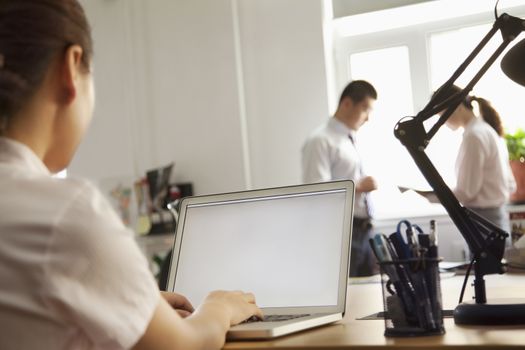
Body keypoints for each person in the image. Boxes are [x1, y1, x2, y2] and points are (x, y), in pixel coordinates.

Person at [0, 1, 262, 350]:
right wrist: (218, 307)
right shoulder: (63, 213)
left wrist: (133, 304)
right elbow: (185, 345)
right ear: (71, 66)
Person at [301, 80, 378, 277]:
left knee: (368, 297)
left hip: (364, 231)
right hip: (341, 231)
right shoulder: (320, 140)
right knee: (349, 300)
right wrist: (358, 186)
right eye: (364, 109)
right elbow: (316, 189)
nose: (367, 118)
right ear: (346, 104)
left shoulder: (349, 139)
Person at [437, 85, 516, 233]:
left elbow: (467, 192)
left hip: (483, 219)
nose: (442, 122)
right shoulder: (487, 130)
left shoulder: (474, 136)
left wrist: (435, 195)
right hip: (495, 216)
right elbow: (511, 184)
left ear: (458, 107)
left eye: (442, 115)